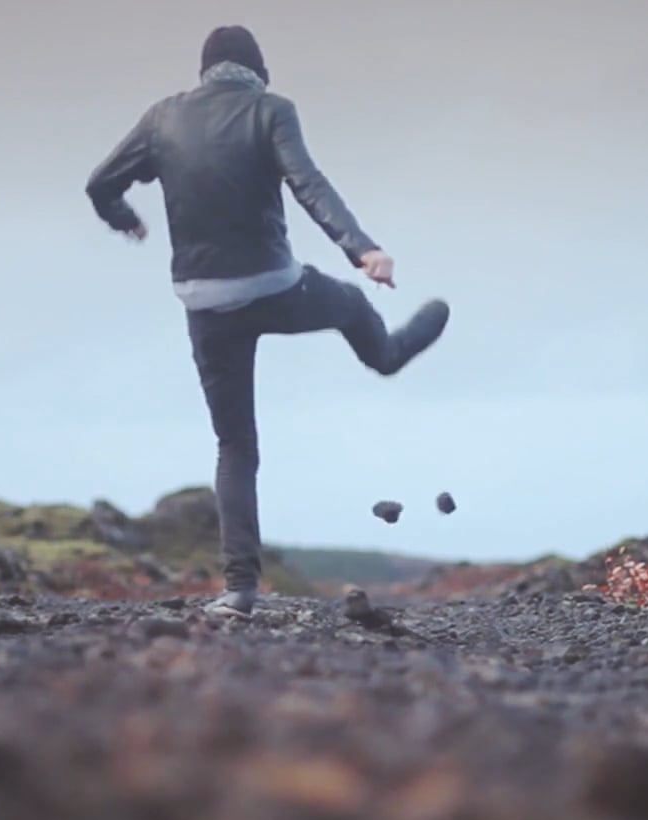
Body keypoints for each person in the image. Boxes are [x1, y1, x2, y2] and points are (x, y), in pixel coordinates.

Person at [85, 24, 451, 621]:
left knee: (235, 445)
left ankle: (239, 592)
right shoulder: (270, 110)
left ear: (205, 71)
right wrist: (361, 250)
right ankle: (391, 354)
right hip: (273, 287)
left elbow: (99, 184)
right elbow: (308, 183)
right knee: (355, 309)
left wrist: (126, 218)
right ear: (257, 70)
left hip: (202, 301)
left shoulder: (161, 118)